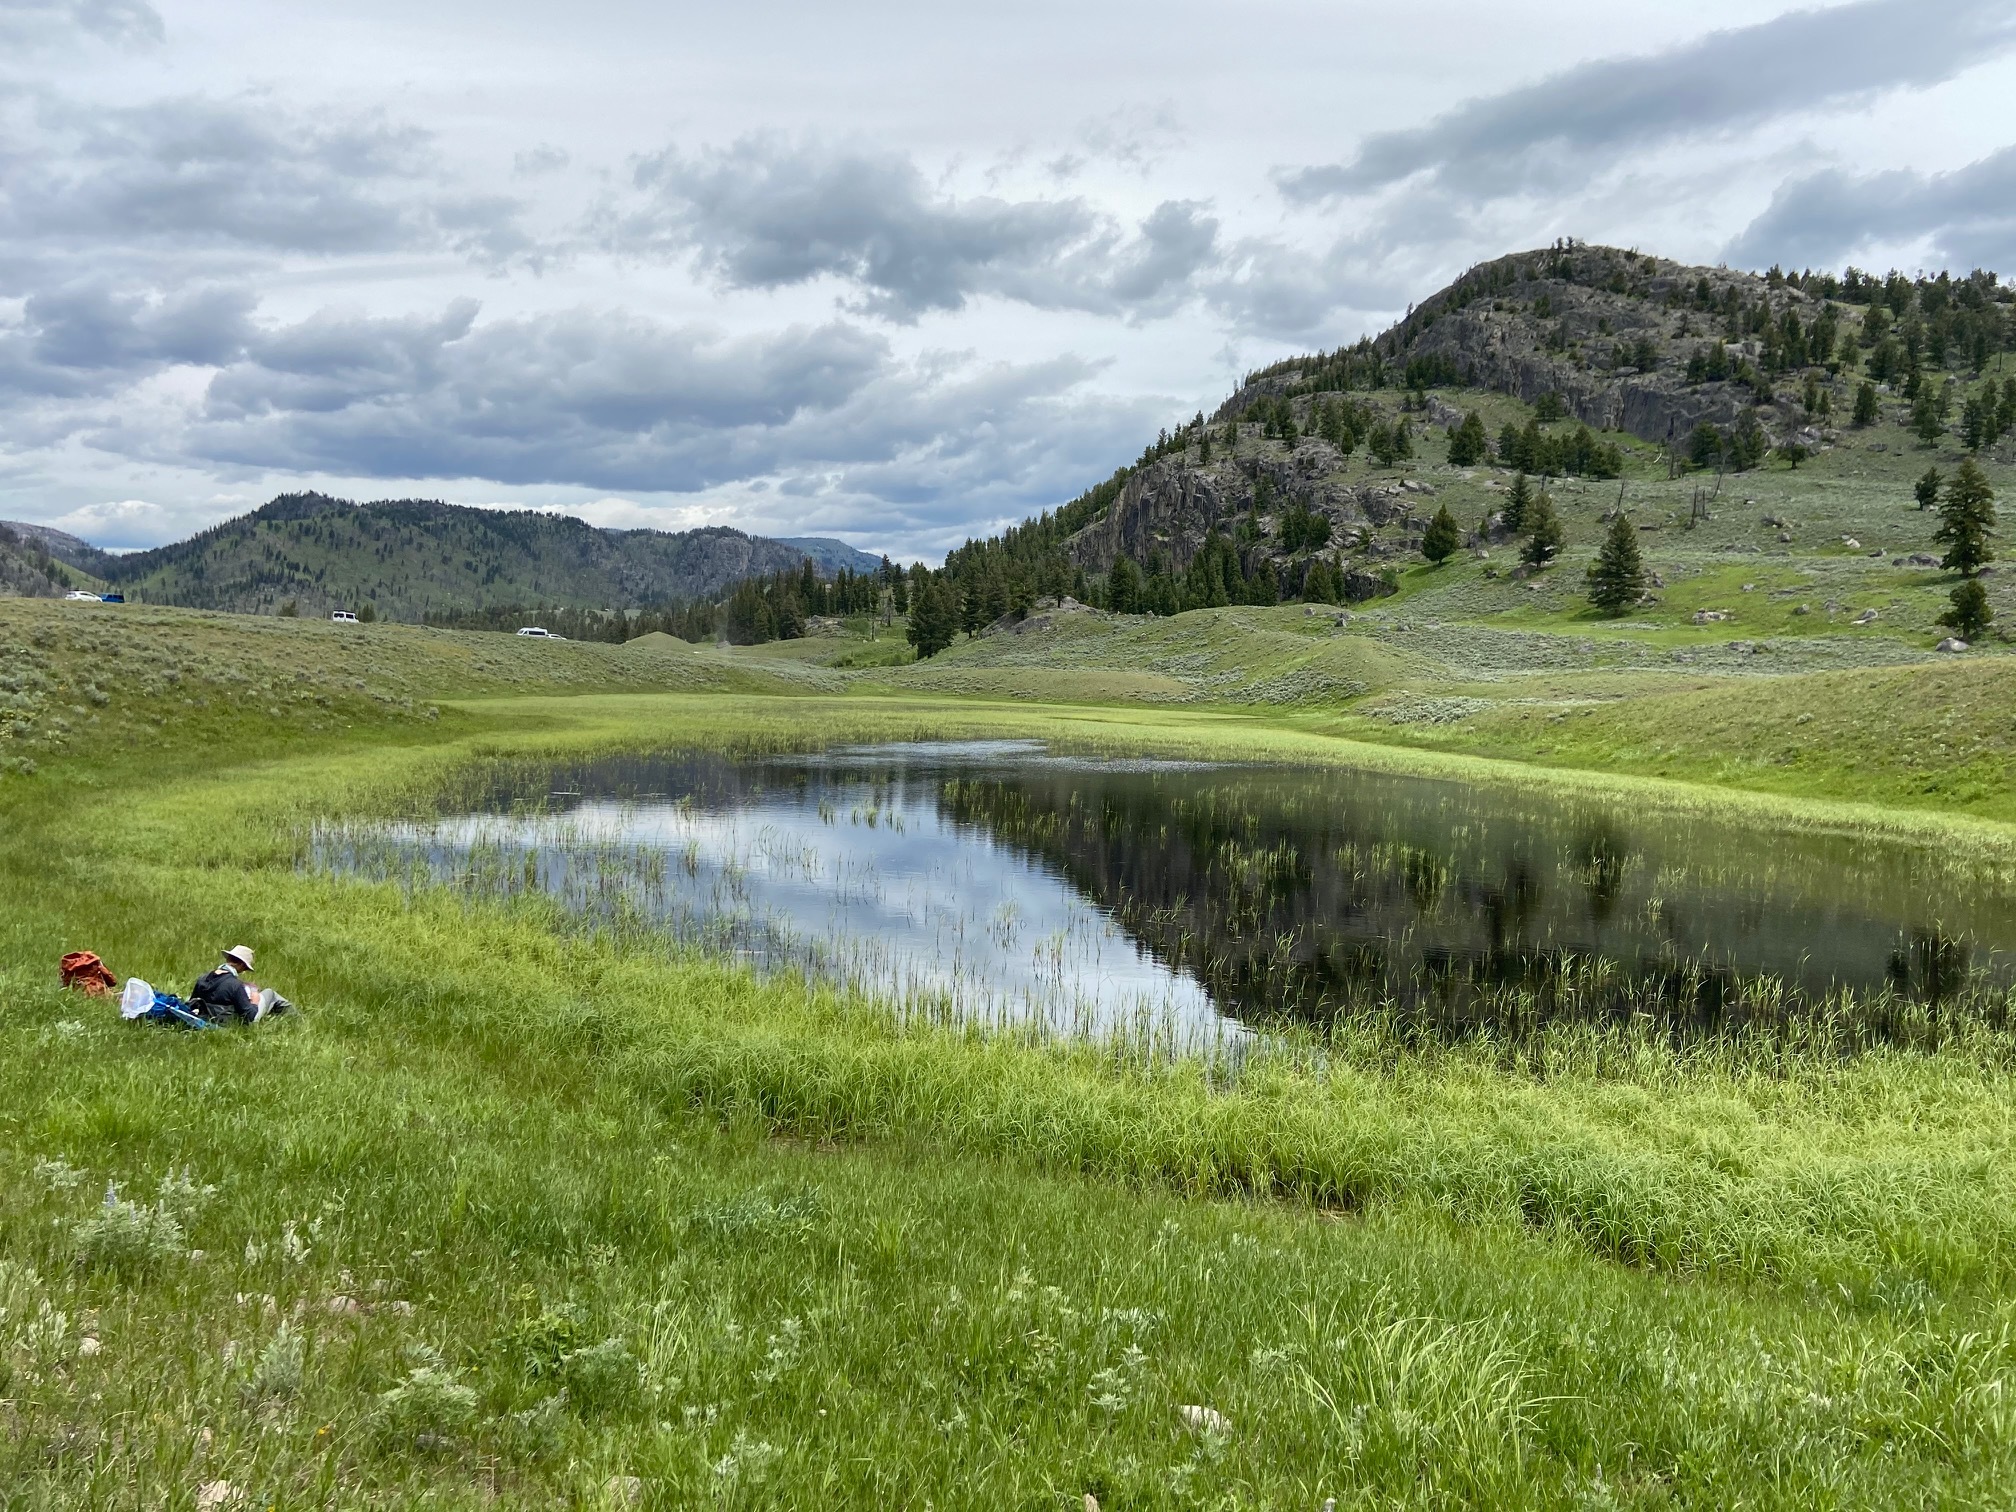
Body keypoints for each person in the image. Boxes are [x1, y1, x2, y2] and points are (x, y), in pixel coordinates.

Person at [189, 946, 289, 1025]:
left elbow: (192, 1002)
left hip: (206, 1016)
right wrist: (254, 1001)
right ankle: (297, 1018)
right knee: (270, 993)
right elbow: (250, 1016)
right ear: (241, 965)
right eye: (245, 968)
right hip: (229, 1021)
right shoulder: (235, 985)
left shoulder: (203, 978)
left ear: (228, 958)